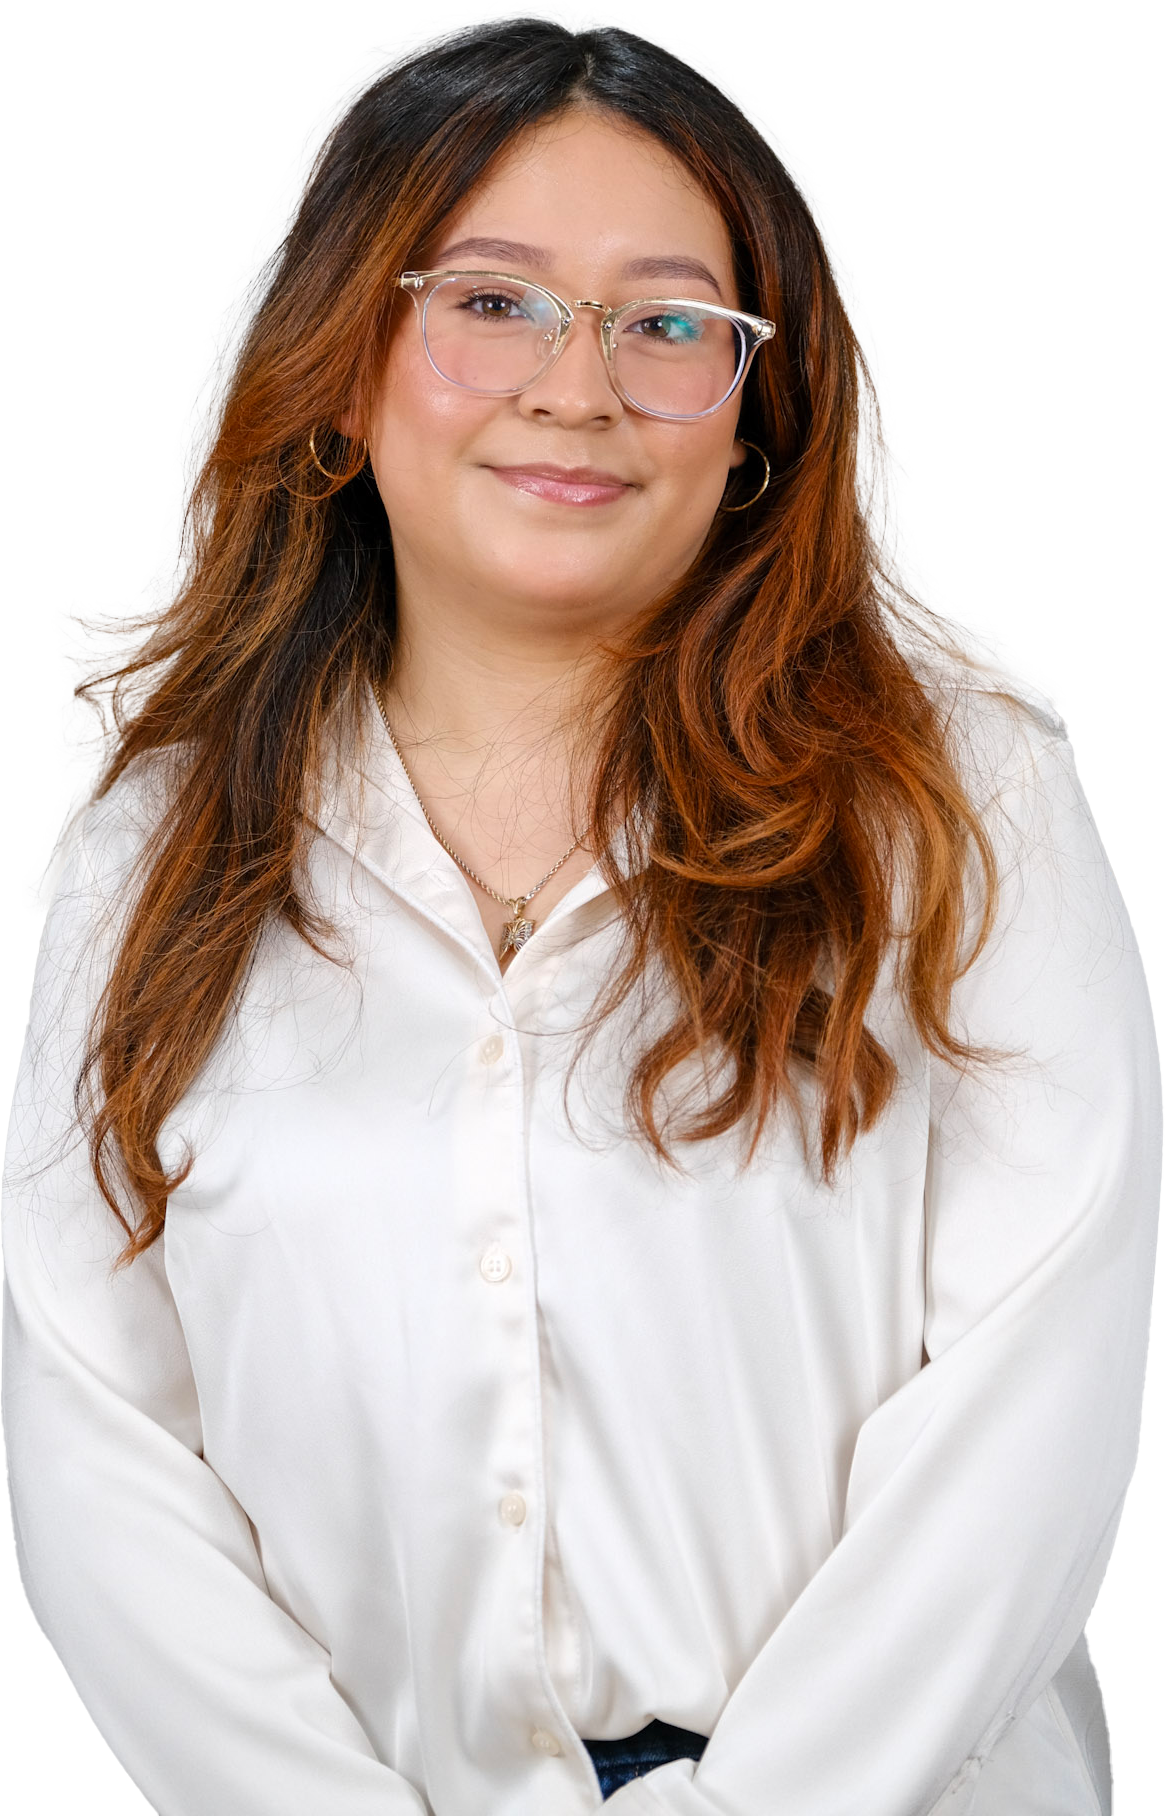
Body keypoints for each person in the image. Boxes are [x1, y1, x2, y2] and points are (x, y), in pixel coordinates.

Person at [2, 6, 1160, 1813]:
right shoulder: (164, 838)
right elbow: (98, 1437)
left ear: (756, 417)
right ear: (343, 361)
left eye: (669, 324)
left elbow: (1036, 1403)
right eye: (493, 300)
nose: (578, 386)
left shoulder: (958, 793)